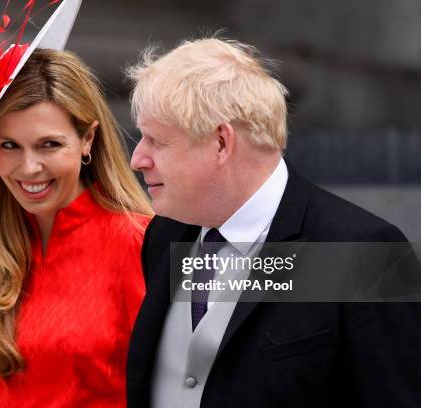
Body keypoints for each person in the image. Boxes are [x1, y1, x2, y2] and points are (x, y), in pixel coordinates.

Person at [125, 36, 421, 407]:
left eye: (156, 141)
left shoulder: (365, 250)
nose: (138, 159)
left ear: (221, 142)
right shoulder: (165, 233)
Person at [0, 1, 153, 406]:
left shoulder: (138, 240)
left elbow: (171, 383)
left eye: (49, 145)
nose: (29, 168)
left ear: (87, 140)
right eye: (9, 145)